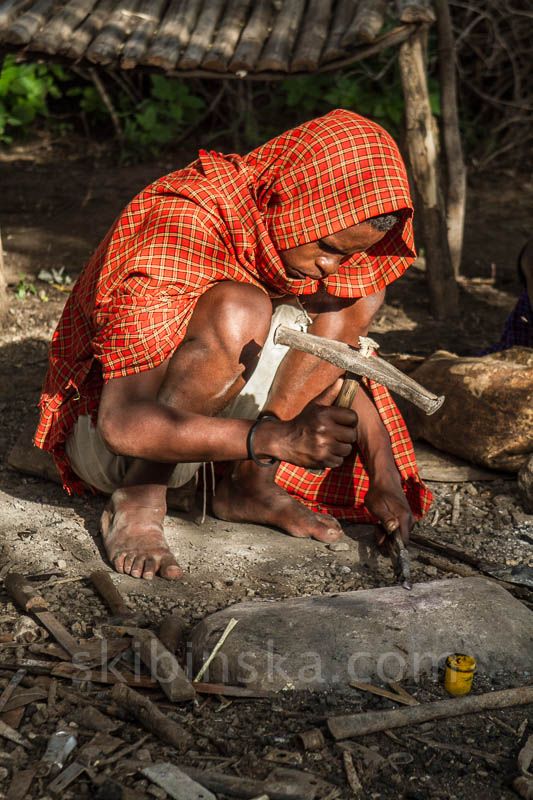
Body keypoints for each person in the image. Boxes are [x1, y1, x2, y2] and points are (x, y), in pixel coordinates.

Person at [35, 109, 432, 581]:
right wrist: (276, 438)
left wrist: (384, 475)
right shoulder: (181, 225)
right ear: (294, 199)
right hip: (119, 444)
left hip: (219, 439)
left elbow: (335, 362)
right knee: (241, 308)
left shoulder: (282, 239)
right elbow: (121, 425)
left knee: (359, 291)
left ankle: (251, 486)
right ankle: (139, 501)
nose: (329, 264)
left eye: (345, 252)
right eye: (327, 246)